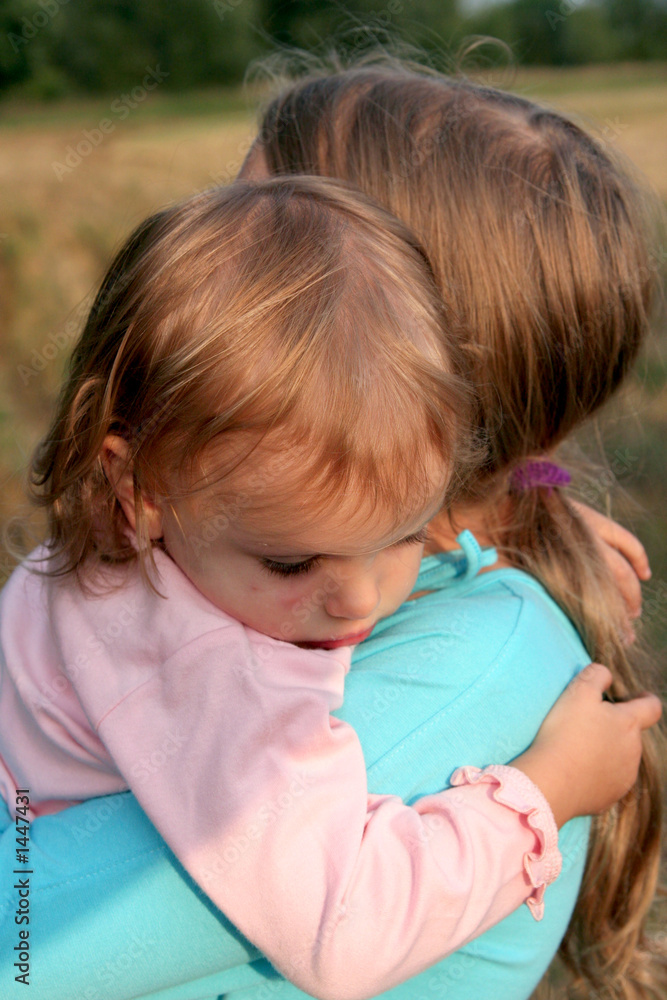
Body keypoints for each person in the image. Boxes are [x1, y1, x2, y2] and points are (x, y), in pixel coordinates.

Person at [0, 66, 664, 1000]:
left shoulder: (449, 658)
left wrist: (535, 798)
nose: (202, 256)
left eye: (259, 244)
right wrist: (469, 521)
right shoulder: (238, 585)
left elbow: (28, 940)